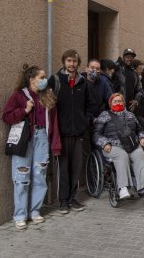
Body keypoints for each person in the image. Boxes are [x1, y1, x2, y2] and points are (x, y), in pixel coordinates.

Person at [2, 64, 61, 229]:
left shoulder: (48, 96)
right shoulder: (19, 96)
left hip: (42, 138)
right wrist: (24, 110)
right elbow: (6, 116)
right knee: (22, 177)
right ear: (31, 79)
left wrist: (55, 144)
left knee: (40, 176)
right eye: (41, 77)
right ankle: (20, 215)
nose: (44, 80)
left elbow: (55, 123)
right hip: (24, 139)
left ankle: (35, 212)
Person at [48, 49, 95, 214]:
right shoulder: (55, 80)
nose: (72, 64)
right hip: (61, 134)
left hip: (79, 133)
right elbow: (45, 100)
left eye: (74, 61)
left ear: (78, 63)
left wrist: (86, 121)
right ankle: (62, 202)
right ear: (63, 62)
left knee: (76, 168)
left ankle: (73, 199)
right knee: (63, 169)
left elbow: (90, 105)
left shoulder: (83, 83)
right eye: (68, 61)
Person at [93, 93, 144, 199]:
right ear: (110, 103)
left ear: (123, 103)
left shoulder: (130, 115)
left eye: (119, 101)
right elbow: (96, 134)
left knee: (139, 153)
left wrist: (142, 137)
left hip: (130, 144)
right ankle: (123, 187)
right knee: (122, 155)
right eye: (115, 101)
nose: (118, 103)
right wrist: (104, 143)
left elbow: (139, 130)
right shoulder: (104, 115)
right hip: (112, 146)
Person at [116, 48, 144, 113]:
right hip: (117, 106)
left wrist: (136, 100)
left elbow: (140, 90)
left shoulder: (134, 73)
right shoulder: (117, 70)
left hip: (130, 109)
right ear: (123, 58)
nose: (129, 59)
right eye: (127, 57)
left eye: (131, 57)